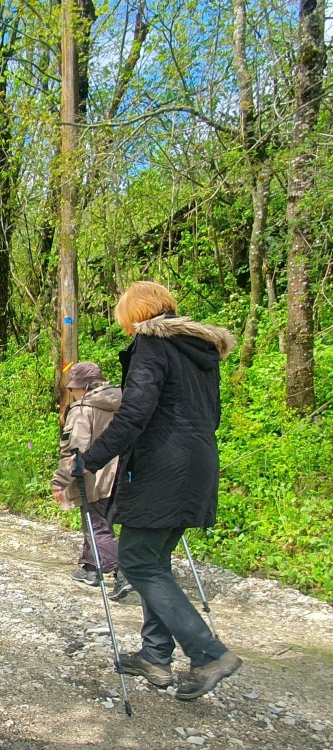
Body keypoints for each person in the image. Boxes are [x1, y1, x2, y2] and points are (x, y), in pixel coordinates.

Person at [80, 280, 241, 700]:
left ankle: (208, 653)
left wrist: (91, 459)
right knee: (155, 561)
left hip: (163, 467)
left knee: (136, 561)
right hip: (198, 463)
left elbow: (135, 411)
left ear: (135, 314)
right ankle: (155, 655)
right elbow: (212, 415)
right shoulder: (199, 352)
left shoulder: (152, 344)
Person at [52, 362, 132, 601]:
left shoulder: (83, 410)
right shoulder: (124, 403)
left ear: (84, 387)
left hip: (95, 475)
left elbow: (75, 451)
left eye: (73, 388)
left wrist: (60, 481)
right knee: (100, 521)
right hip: (125, 474)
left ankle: (127, 571)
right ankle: (91, 568)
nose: (71, 392)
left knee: (97, 525)